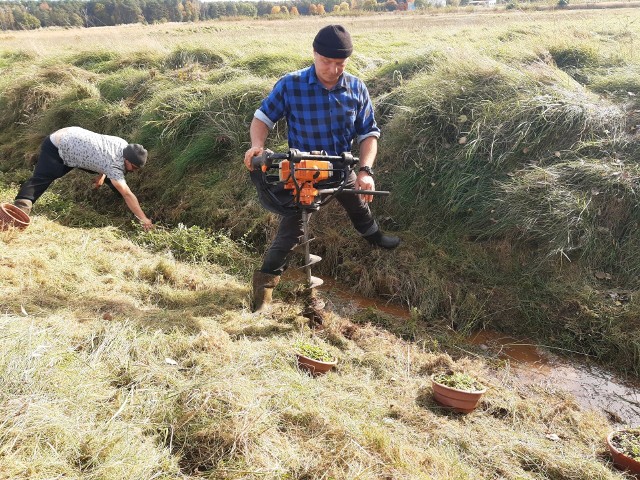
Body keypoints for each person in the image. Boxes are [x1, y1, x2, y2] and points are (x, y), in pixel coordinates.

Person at [244, 24, 400, 314]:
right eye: (326, 62)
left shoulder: (356, 88)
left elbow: (368, 134)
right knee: (292, 231)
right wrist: (257, 145)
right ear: (314, 54)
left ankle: (376, 238)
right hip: (304, 171)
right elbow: (262, 118)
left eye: (339, 64)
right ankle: (263, 294)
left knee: (358, 204)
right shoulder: (291, 84)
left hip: (342, 166)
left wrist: (365, 170)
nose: (332, 69)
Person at [13, 126, 154, 231]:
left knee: (115, 178)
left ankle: (121, 202)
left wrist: (102, 175)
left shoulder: (122, 144)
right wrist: (144, 219)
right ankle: (18, 212)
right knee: (42, 178)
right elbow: (127, 193)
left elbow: (101, 152)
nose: (133, 171)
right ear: (127, 160)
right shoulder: (114, 165)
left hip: (73, 135)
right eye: (134, 167)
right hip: (57, 146)